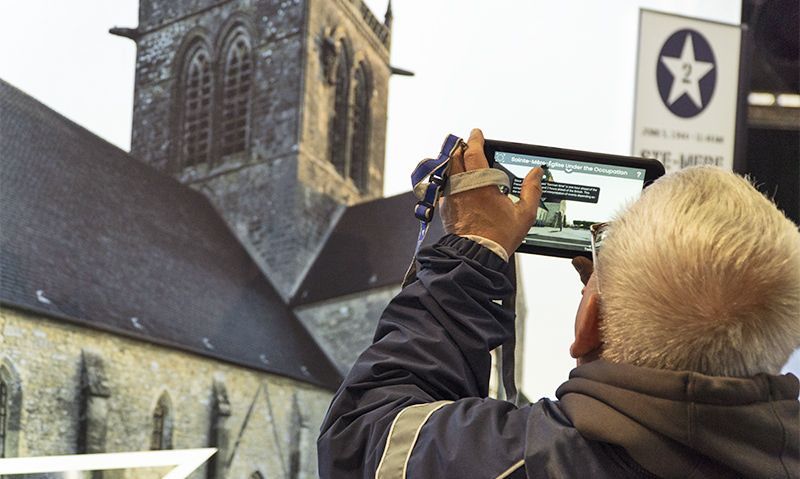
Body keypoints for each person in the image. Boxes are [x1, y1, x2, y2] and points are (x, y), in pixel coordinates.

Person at [317, 129, 800, 478]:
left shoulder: (529, 465)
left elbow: (360, 441)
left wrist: (472, 254)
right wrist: (615, 304)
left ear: (588, 322)